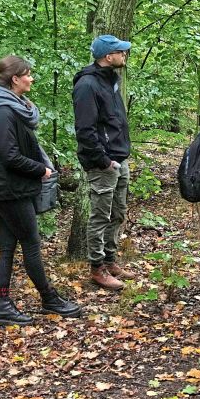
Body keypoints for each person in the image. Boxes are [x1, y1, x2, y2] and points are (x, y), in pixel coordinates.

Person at [0, 55, 81, 325]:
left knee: (6, 246)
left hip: (9, 187)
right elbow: (9, 156)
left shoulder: (12, 106)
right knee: (31, 243)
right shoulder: (1, 111)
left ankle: (2, 304)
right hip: (9, 189)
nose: (31, 78)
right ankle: (49, 298)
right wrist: (40, 170)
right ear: (14, 79)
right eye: (28, 74)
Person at [73, 34, 134, 290]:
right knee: (100, 216)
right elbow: (85, 130)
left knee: (117, 213)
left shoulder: (111, 81)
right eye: (121, 51)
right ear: (108, 56)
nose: (124, 55)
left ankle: (110, 260)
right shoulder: (87, 85)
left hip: (120, 158)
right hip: (103, 163)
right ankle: (97, 268)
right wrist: (103, 160)